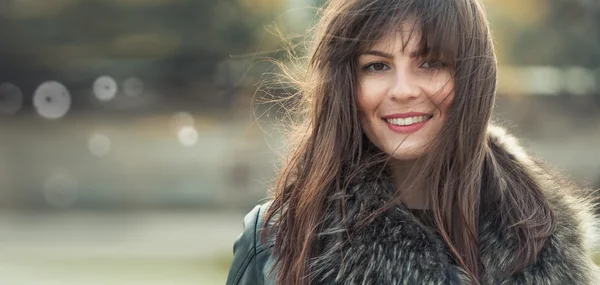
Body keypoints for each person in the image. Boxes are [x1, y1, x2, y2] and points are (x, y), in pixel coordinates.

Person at [225, 0, 600, 284]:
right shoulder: (276, 241)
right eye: (376, 66)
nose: (403, 91)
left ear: (473, 77)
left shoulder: (546, 236)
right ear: (345, 86)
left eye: (431, 63)